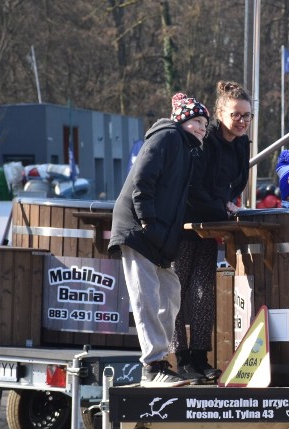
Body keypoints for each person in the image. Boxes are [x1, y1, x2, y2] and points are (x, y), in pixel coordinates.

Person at [108, 93, 209, 387]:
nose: (203, 127)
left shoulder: (186, 149)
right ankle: (152, 366)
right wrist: (147, 220)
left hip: (159, 237)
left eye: (205, 122)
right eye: (198, 121)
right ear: (183, 121)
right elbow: (142, 179)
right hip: (138, 229)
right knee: (147, 296)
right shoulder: (166, 137)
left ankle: (161, 360)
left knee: (170, 291)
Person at [170, 81, 251, 384]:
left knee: (204, 291)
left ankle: (200, 357)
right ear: (220, 113)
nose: (242, 121)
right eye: (236, 115)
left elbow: (237, 181)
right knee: (178, 289)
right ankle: (180, 359)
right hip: (185, 223)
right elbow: (193, 187)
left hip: (212, 225)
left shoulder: (242, 144)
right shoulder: (206, 141)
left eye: (247, 115)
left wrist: (227, 206)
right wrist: (221, 208)